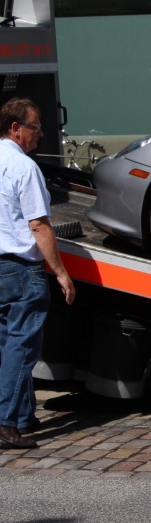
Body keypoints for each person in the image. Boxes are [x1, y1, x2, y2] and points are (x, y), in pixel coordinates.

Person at [0, 98, 76, 449]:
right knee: (23, 347)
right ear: (16, 129)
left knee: (8, 346)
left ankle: (24, 415)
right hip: (20, 268)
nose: (41, 133)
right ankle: (5, 422)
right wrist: (60, 271)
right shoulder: (23, 167)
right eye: (35, 127)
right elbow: (39, 225)